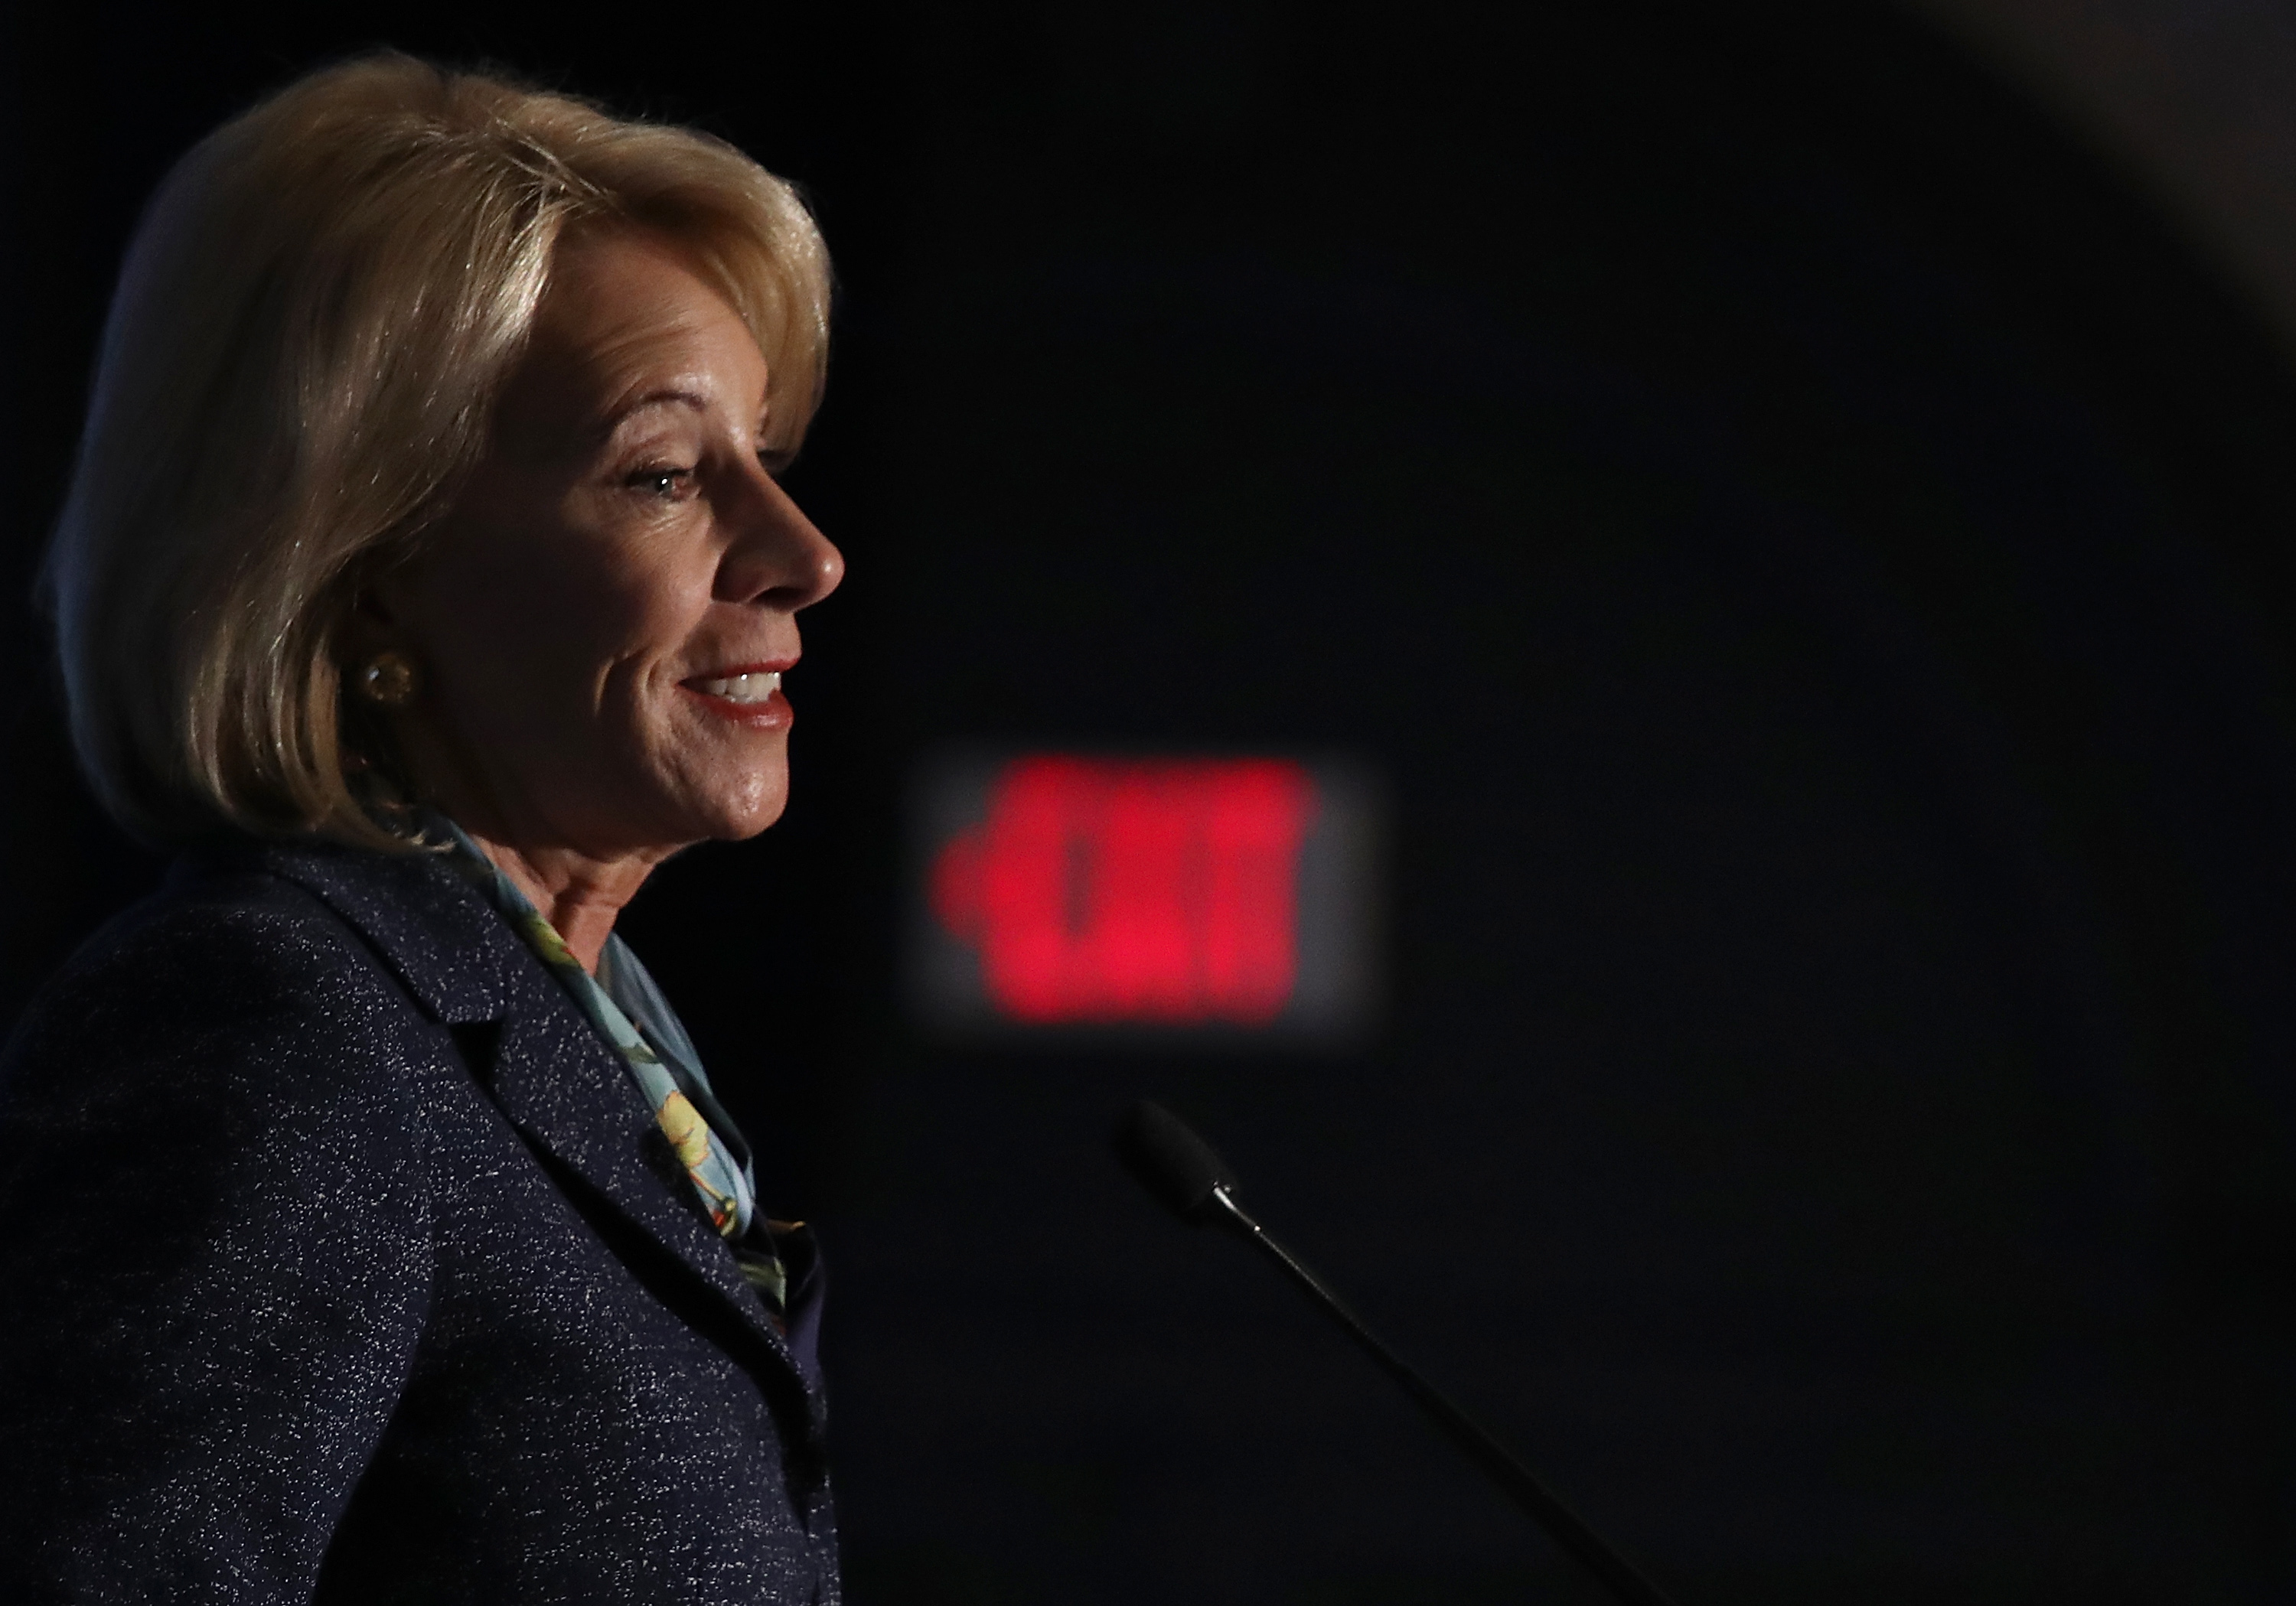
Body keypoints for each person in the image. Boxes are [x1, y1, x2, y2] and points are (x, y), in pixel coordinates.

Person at [0, 53, 846, 1604]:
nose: (805, 555)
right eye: (664, 472)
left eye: (768, 466)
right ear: (370, 557)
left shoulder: (601, 1070)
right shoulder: (279, 1035)